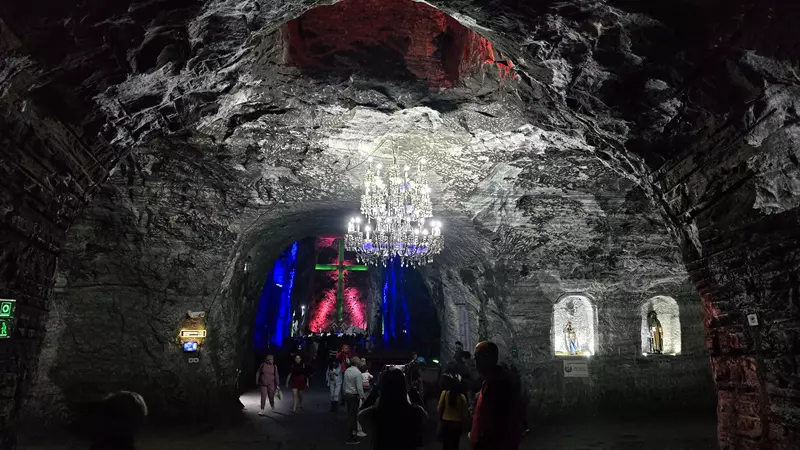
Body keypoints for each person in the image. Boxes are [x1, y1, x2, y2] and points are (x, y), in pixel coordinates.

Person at [469, 341, 523, 450]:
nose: (474, 362)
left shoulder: (500, 383)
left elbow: (497, 424)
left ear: (487, 358)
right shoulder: (489, 380)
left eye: (477, 357)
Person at [359, 368, 427, 450]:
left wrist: (376, 388)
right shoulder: (414, 412)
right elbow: (425, 416)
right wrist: (412, 389)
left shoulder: (376, 413)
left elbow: (360, 414)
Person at [439, 374, 470, 450]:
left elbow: (439, 408)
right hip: (457, 423)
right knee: (455, 444)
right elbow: (465, 413)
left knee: (446, 444)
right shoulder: (462, 397)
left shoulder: (444, 393)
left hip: (446, 422)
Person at [343, 356, 366, 444]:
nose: (361, 362)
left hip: (347, 395)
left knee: (350, 416)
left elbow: (344, 384)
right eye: (359, 361)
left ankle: (351, 435)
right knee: (352, 418)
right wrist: (363, 397)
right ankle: (350, 438)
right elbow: (359, 388)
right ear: (356, 363)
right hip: (353, 396)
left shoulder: (347, 371)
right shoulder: (358, 373)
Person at [356, 360, 374, 437]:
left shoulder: (359, 374)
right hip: (364, 391)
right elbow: (372, 377)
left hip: (362, 391)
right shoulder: (367, 374)